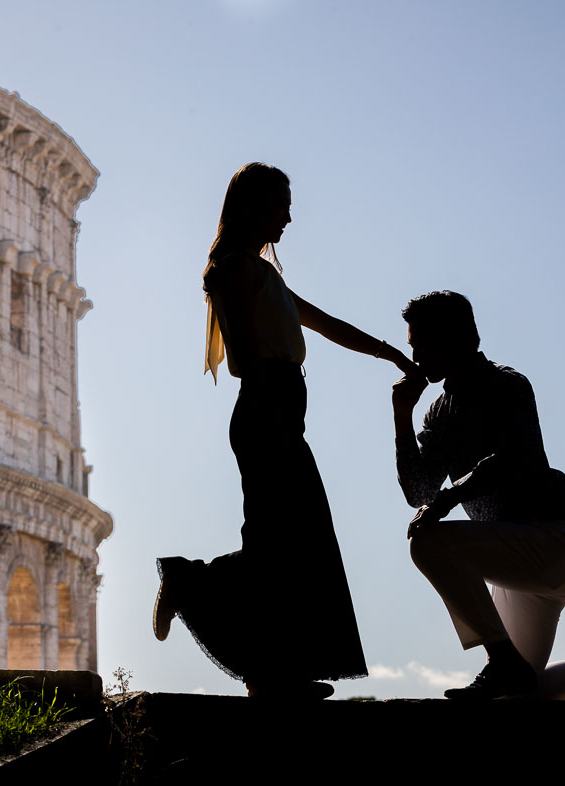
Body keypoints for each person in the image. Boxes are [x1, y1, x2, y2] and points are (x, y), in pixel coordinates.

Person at [152, 162, 418, 699]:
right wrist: (274, 372)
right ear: (252, 207)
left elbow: (328, 325)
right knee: (282, 540)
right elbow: (243, 363)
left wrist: (390, 353)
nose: (289, 217)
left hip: (281, 411)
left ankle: (273, 670)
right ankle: (191, 583)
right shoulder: (230, 269)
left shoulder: (262, 273)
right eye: (281, 205)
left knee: (294, 541)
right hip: (267, 409)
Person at [392, 290, 565, 699]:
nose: (414, 359)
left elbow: (511, 457)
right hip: (516, 562)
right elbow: (420, 493)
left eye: (421, 346)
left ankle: (500, 660)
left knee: (427, 542)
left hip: (554, 540)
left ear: (452, 337)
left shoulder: (507, 384)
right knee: (519, 693)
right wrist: (401, 414)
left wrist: (447, 502)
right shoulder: (438, 411)